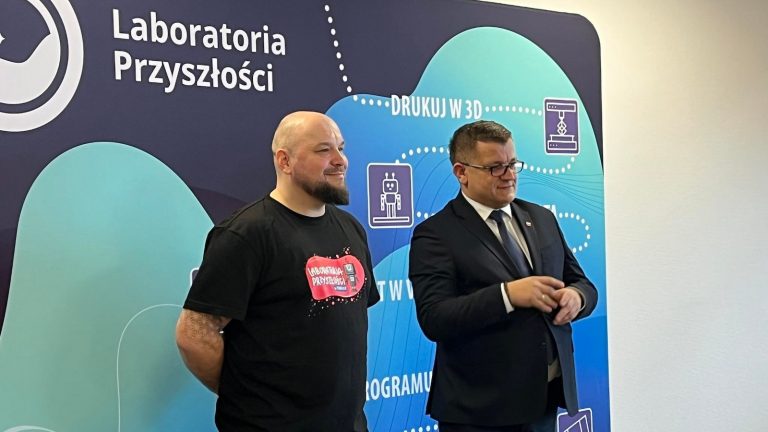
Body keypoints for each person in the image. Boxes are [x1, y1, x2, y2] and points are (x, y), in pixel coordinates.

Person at [175, 111, 380, 431]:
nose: (340, 160)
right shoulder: (247, 233)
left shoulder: (351, 229)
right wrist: (249, 397)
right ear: (285, 161)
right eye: (323, 150)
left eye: (341, 148)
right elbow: (194, 334)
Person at [408, 120, 597, 432]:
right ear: (461, 172)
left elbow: (582, 283)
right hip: (479, 412)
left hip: (543, 401)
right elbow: (435, 318)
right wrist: (507, 296)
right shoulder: (436, 234)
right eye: (495, 167)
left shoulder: (542, 218)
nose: (509, 175)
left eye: (512, 164)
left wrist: (577, 298)